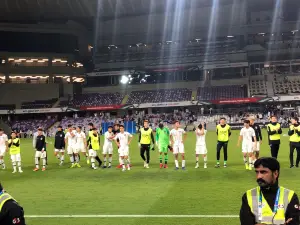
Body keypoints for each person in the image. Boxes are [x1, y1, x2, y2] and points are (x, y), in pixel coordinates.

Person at [240, 157, 300, 225]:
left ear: (275, 174)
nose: (259, 176)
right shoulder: (248, 196)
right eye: (257, 172)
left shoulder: (290, 196)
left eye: (263, 172)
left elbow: (294, 223)